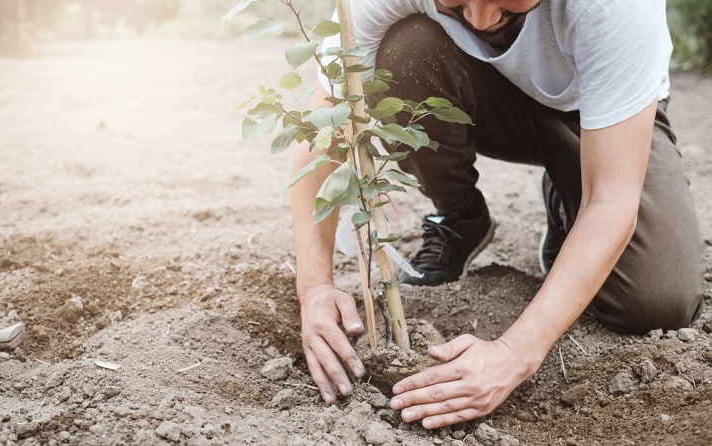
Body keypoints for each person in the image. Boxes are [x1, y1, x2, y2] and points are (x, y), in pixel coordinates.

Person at [290, 0, 705, 429]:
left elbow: (612, 199)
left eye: (506, 0)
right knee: (403, 52)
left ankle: (570, 191)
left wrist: (514, 354)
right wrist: (315, 288)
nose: (481, 20)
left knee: (656, 301)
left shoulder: (615, 9)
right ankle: (461, 217)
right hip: (481, 93)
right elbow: (323, 128)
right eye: (456, 1)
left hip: (599, 118)